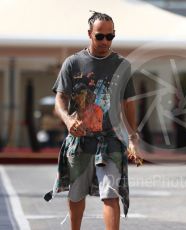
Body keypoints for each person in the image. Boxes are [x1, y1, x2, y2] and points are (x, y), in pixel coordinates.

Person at [44, 11, 142, 230]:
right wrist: (69, 121)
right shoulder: (73, 63)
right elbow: (59, 100)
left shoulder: (122, 66)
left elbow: (129, 104)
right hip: (80, 140)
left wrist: (133, 138)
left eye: (110, 36)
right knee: (77, 195)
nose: (106, 41)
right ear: (89, 34)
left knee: (110, 194)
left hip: (111, 140)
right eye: (100, 36)